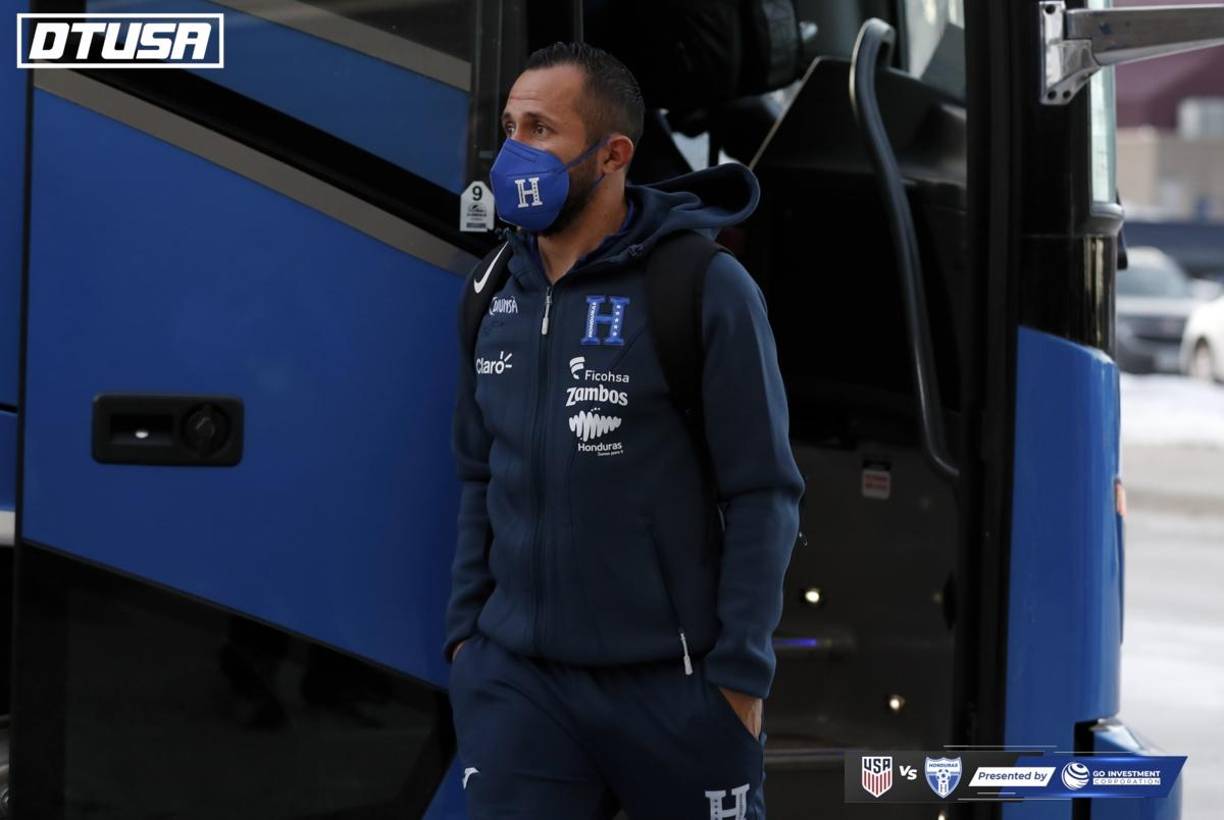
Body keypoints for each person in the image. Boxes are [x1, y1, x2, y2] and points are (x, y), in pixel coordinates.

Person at [443, 41, 804, 819]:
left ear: (612, 155)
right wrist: (468, 642)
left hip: (675, 693)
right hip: (518, 688)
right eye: (509, 126)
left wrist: (740, 678)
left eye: (540, 129)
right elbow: (478, 475)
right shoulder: (491, 291)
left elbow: (764, 492)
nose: (513, 152)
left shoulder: (703, 287)